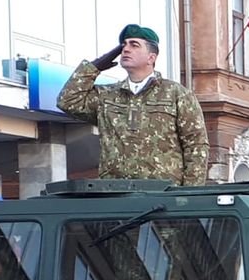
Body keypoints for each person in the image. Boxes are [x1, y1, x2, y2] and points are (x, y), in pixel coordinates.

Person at [57, 24, 208, 185]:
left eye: (134, 45)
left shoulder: (176, 94)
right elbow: (68, 101)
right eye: (124, 45)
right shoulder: (107, 95)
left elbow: (196, 145)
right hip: (115, 190)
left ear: (152, 57)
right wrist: (94, 67)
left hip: (163, 192)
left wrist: (188, 195)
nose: (126, 49)